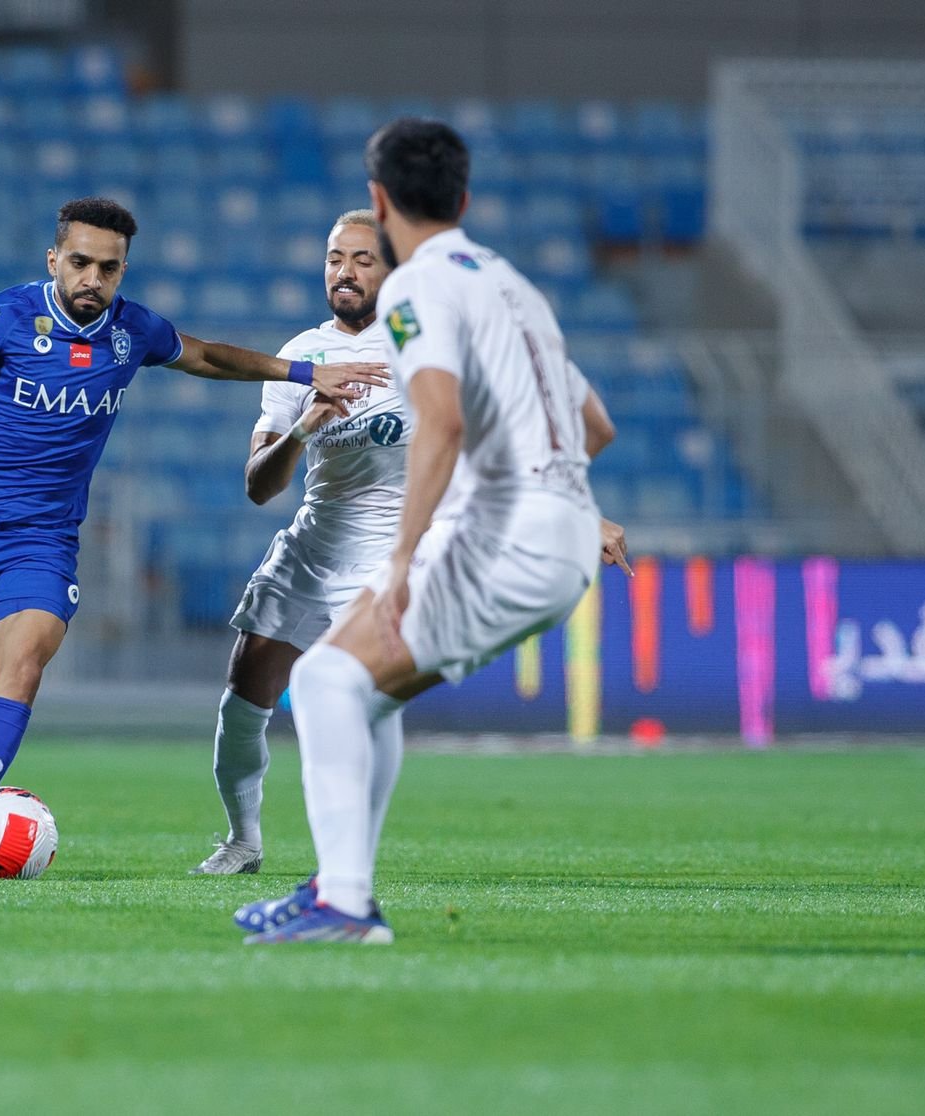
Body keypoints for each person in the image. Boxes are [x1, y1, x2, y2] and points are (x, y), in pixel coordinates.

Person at [0, 196, 387, 878]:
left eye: (110, 268)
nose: (94, 279)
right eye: (82, 263)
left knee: (23, 669)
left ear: (123, 271)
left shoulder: (134, 331)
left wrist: (302, 372)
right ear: (54, 260)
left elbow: (207, 356)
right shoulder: (6, 318)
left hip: (43, 539)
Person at [239, 120, 631, 943]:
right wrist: (571, 509)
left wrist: (409, 557)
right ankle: (340, 889)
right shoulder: (513, 286)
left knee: (321, 684)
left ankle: (343, 903)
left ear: (381, 203)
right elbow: (594, 423)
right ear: (464, 198)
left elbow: (443, 425)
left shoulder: (417, 288)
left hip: (507, 535)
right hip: (563, 536)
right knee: (361, 690)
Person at [190, 209, 400, 876]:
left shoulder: (423, 351)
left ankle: (346, 861)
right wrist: (304, 424)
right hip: (313, 543)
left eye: (363, 259)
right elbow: (259, 486)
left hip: (388, 557)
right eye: (336, 257)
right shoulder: (299, 356)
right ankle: (243, 840)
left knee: (350, 700)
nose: (345, 271)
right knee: (244, 692)